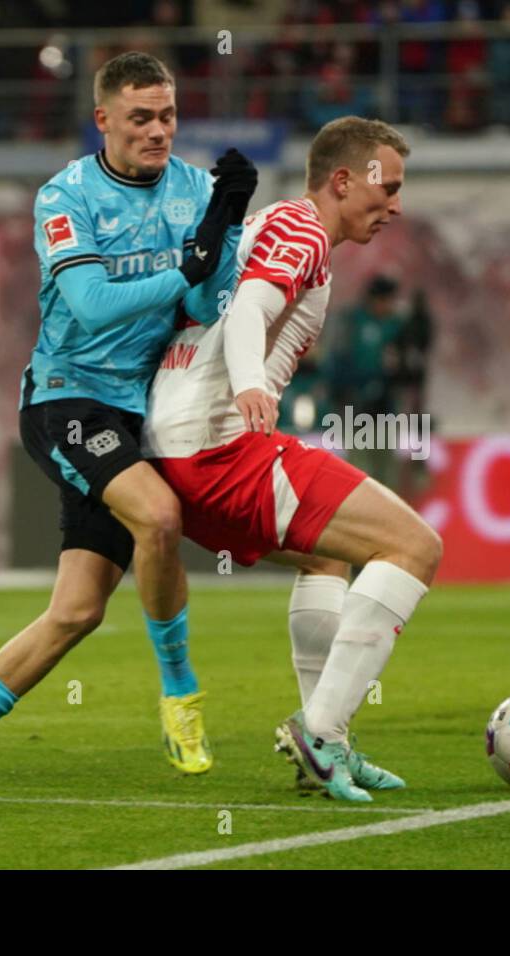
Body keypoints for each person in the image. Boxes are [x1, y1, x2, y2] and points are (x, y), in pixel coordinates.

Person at [0, 51, 256, 789]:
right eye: (140, 118)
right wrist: (192, 260)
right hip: (65, 397)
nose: (157, 131)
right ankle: (180, 694)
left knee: (76, 612)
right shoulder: (66, 195)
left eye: (168, 115)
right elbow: (91, 306)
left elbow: (208, 309)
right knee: (160, 515)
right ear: (103, 120)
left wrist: (224, 225)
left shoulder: (197, 190)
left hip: (133, 413)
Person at [142, 116, 442, 802]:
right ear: (342, 180)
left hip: (178, 453)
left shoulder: (279, 228)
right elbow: (249, 309)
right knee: (415, 546)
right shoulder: (301, 228)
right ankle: (323, 732)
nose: (396, 205)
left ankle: (325, 741)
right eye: (386, 187)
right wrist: (249, 383)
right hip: (219, 446)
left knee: (327, 556)